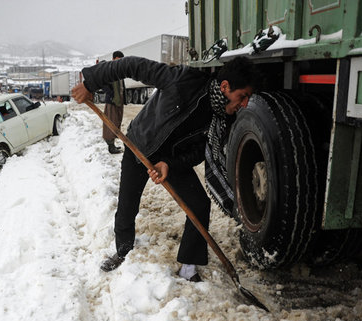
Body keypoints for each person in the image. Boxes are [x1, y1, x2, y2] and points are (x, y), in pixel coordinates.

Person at [72, 56, 258, 282]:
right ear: (225, 87)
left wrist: (170, 165)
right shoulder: (182, 80)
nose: (245, 104)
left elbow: (201, 151)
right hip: (139, 145)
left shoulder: (222, 118)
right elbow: (129, 65)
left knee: (199, 204)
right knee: (127, 204)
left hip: (171, 158)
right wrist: (90, 83)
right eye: (243, 96)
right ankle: (122, 251)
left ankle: (189, 267)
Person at [101, 51, 125, 154]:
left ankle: (113, 143)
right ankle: (110, 146)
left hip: (118, 101)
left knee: (116, 123)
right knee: (110, 123)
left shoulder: (119, 71)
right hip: (112, 101)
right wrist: (111, 95)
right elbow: (103, 84)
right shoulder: (109, 70)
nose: (120, 61)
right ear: (114, 58)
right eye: (119, 59)